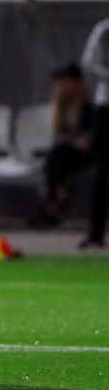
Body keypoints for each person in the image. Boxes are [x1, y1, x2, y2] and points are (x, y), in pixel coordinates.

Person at [29, 64, 92, 229]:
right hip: (68, 154)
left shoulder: (87, 107)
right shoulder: (62, 107)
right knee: (55, 159)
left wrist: (78, 140)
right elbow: (62, 134)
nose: (63, 85)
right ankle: (57, 200)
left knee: (56, 159)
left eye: (67, 81)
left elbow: (89, 138)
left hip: (87, 155)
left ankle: (53, 206)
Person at [81, 18, 109, 248]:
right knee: (101, 171)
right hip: (106, 108)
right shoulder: (104, 29)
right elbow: (88, 63)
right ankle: (96, 233)